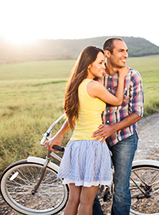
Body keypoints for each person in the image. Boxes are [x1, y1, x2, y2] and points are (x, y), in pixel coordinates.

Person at [45, 46, 129, 215]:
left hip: (75, 147)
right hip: (93, 146)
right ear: (89, 64)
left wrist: (58, 136)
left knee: (73, 200)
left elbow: (72, 118)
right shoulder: (94, 86)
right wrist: (121, 77)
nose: (103, 66)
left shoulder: (76, 86)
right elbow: (118, 100)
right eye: (100, 63)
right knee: (86, 203)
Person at [92, 38, 144, 215]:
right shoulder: (95, 75)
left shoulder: (133, 76)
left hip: (124, 138)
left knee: (121, 190)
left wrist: (112, 129)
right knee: (88, 187)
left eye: (126, 51)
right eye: (121, 51)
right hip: (97, 138)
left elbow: (137, 112)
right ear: (108, 53)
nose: (126, 55)